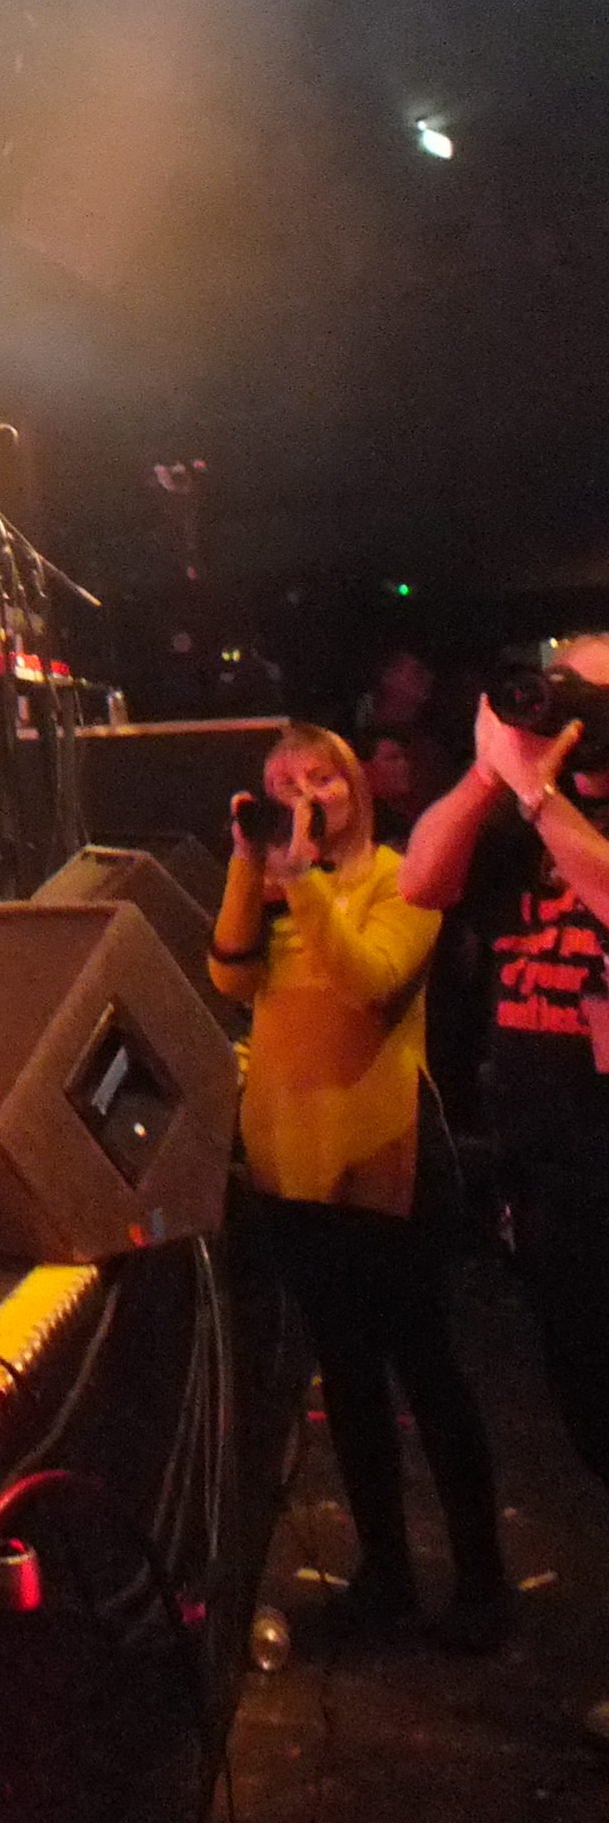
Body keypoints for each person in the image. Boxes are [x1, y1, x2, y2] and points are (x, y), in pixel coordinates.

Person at [212, 724, 508, 1648]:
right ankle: (385, 1575)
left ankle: (482, 1588)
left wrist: (302, 881)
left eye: (320, 778)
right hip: (289, 1158)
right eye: (280, 783)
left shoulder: (401, 877)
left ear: (355, 790)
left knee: (427, 1371)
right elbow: (228, 976)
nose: (301, 795)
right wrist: (248, 869)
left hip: (383, 1161)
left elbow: (369, 981)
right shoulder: (278, 883)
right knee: (343, 1375)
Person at [401, 647, 609, 1517]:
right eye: (561, 691)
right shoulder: (523, 820)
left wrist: (538, 794)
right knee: (587, 1402)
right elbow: (421, 879)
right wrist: (491, 774)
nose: (571, 709)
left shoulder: (549, 811)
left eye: (591, 695)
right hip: (547, 1167)